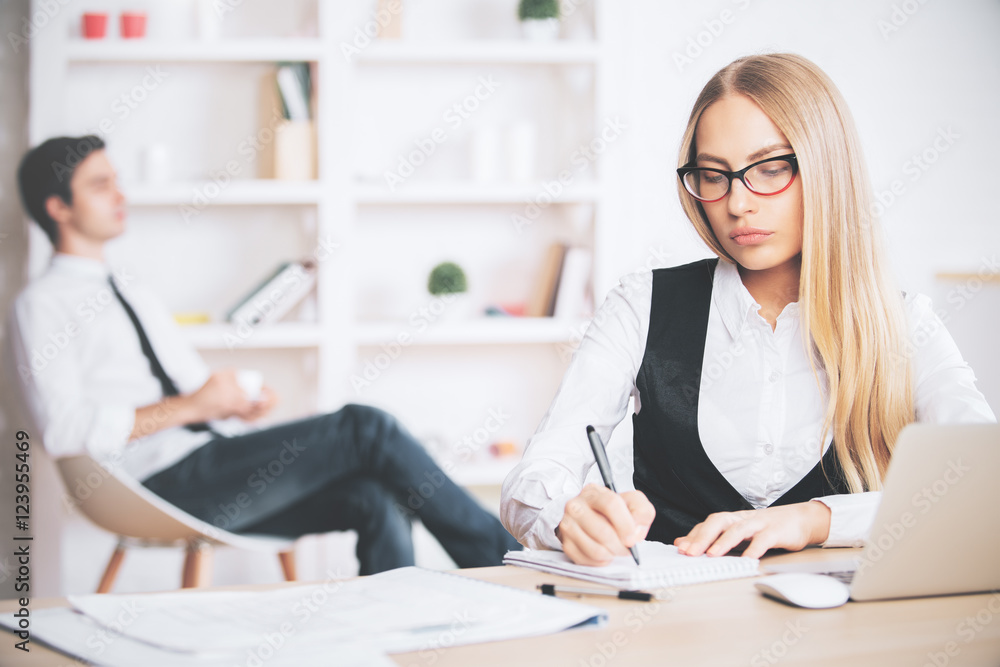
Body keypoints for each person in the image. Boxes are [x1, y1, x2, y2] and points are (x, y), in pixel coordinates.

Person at [500, 53, 996, 566]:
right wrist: (567, 516)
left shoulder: (902, 324)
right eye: (714, 175)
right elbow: (530, 482)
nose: (737, 202)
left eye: (771, 167)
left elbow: (983, 487)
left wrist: (815, 519)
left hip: (846, 633)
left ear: (827, 167)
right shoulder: (643, 306)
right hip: (677, 630)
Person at [9, 135, 520, 575]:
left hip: (212, 463)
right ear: (58, 206)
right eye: (100, 185)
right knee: (366, 426)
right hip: (153, 484)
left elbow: (192, 389)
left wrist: (233, 402)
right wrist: (195, 408)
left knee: (376, 493)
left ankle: (394, 642)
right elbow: (61, 429)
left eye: (117, 180)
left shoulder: (131, 289)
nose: (120, 195)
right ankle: (507, 565)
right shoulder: (41, 305)